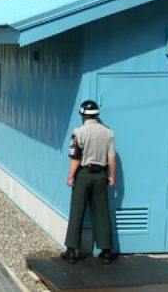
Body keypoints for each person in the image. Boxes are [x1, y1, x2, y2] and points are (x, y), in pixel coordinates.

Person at [61, 100, 116, 265]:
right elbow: (111, 157)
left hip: (84, 175)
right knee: (102, 212)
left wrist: (71, 175)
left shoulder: (79, 132)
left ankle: (72, 250)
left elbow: (76, 156)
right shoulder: (108, 133)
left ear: (83, 114)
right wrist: (112, 176)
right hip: (101, 175)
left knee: (77, 211)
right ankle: (106, 251)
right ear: (96, 114)